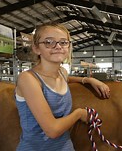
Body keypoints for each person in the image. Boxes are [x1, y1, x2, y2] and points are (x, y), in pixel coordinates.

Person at [15, 22, 110, 150]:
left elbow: (67, 78)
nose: (58, 46)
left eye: (63, 42)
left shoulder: (62, 73)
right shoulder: (28, 79)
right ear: (36, 48)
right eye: (49, 42)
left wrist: (88, 80)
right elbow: (52, 130)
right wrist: (79, 114)